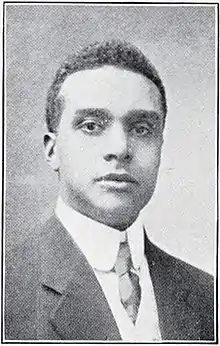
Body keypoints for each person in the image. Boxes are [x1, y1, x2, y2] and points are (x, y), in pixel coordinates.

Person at [5, 40, 214, 341]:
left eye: (142, 128)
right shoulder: (8, 289)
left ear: (160, 148)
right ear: (52, 151)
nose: (120, 149)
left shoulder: (207, 297)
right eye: (91, 126)